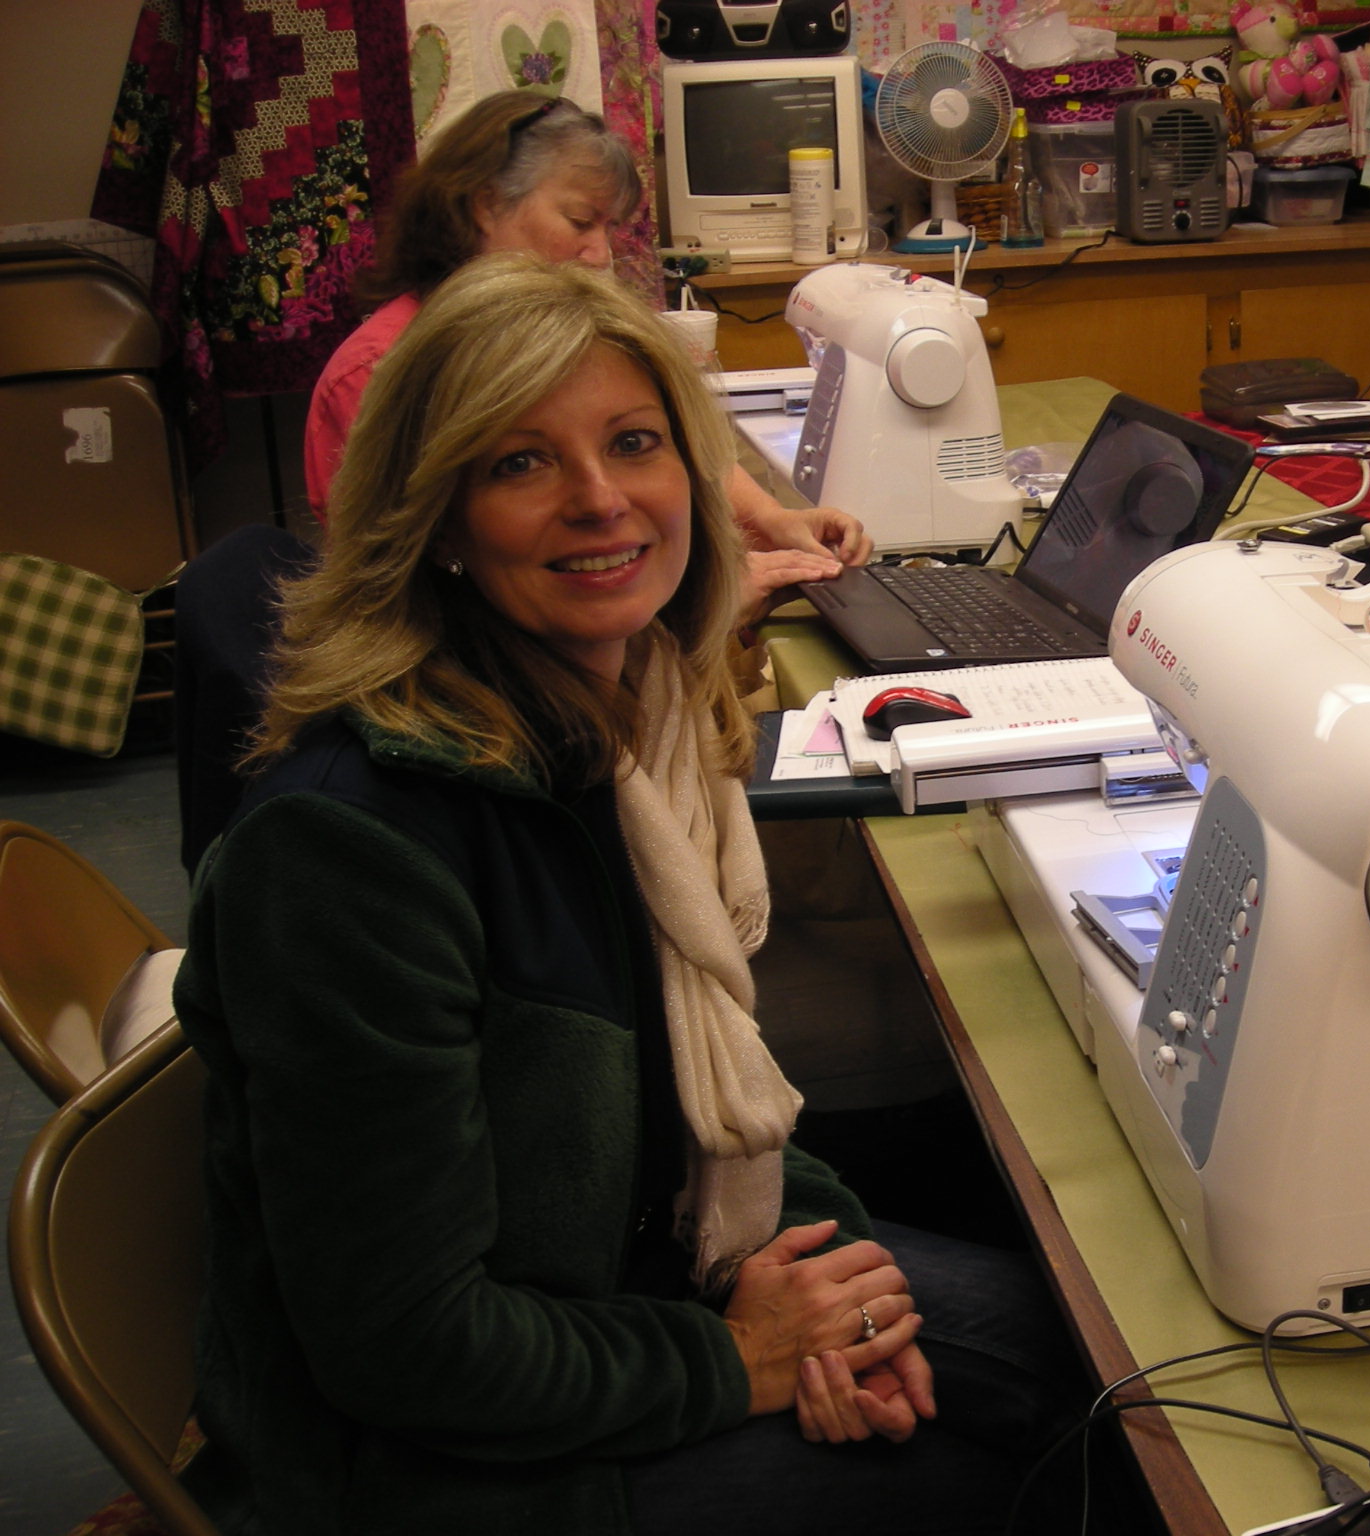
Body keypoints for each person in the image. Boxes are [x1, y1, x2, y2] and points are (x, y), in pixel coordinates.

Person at [174, 253, 1078, 1534]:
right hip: (427, 1466)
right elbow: (405, 1344)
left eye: (634, 443)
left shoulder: (618, 729)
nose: (601, 500)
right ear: (435, 520)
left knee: (1063, 1360)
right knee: (1046, 1460)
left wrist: (838, 1300)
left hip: (635, 1272)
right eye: (519, 462)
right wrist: (741, 1361)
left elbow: (702, 1110)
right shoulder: (350, 852)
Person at [304, 90, 872, 613]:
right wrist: (696, 599)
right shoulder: (380, 373)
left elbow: (670, 449)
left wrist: (771, 520)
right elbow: (412, 597)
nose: (600, 255)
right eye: (579, 222)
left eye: (608, 229)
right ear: (485, 205)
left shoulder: (563, 342)